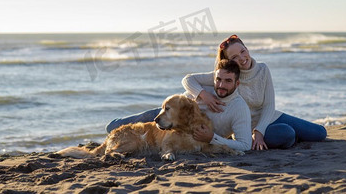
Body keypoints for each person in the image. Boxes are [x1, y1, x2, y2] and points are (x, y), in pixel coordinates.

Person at [182, 34, 327, 150]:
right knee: (287, 134)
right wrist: (203, 95)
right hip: (247, 128)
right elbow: (188, 80)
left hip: (270, 117)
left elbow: (269, 105)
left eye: (242, 51)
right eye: (234, 57)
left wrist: (260, 132)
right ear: (229, 61)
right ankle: (289, 138)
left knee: (320, 133)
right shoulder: (228, 77)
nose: (242, 58)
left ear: (247, 49)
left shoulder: (263, 69)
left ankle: (289, 137)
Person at [107, 59, 252, 152]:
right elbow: (187, 79)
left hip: (180, 125)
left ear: (237, 83)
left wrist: (211, 137)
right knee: (116, 127)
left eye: (227, 81)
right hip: (168, 112)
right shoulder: (208, 87)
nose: (221, 85)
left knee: (134, 138)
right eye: (218, 79)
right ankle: (111, 132)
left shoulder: (239, 108)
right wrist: (203, 94)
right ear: (213, 78)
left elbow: (245, 145)